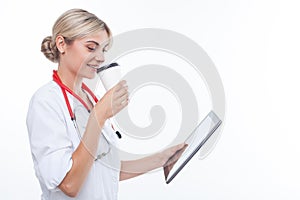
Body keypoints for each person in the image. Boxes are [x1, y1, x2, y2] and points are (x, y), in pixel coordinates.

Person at [26, 8, 186, 200]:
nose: (101, 58)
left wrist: (161, 159)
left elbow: (103, 169)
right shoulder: (46, 102)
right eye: (91, 47)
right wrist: (99, 116)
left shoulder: (89, 99)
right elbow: (70, 184)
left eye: (104, 50)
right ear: (62, 44)